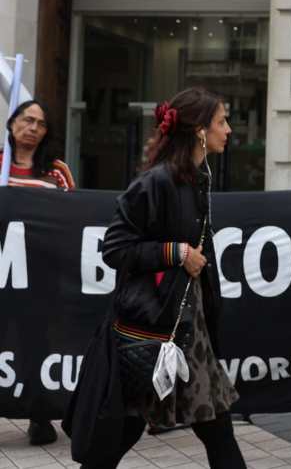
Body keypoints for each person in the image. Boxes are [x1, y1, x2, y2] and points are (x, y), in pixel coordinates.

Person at [71, 87, 245, 469]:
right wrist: (176, 253)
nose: (229, 130)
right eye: (222, 121)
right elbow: (115, 248)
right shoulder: (157, 182)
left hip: (186, 327)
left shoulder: (197, 178)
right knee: (127, 430)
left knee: (218, 430)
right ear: (199, 130)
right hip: (156, 329)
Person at [2, 100, 75, 444]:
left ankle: (39, 415)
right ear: (12, 122)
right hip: (1, 273)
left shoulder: (56, 171)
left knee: (36, 344)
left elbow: (73, 217)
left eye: (41, 124)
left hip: (40, 277)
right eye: (27, 120)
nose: (33, 128)